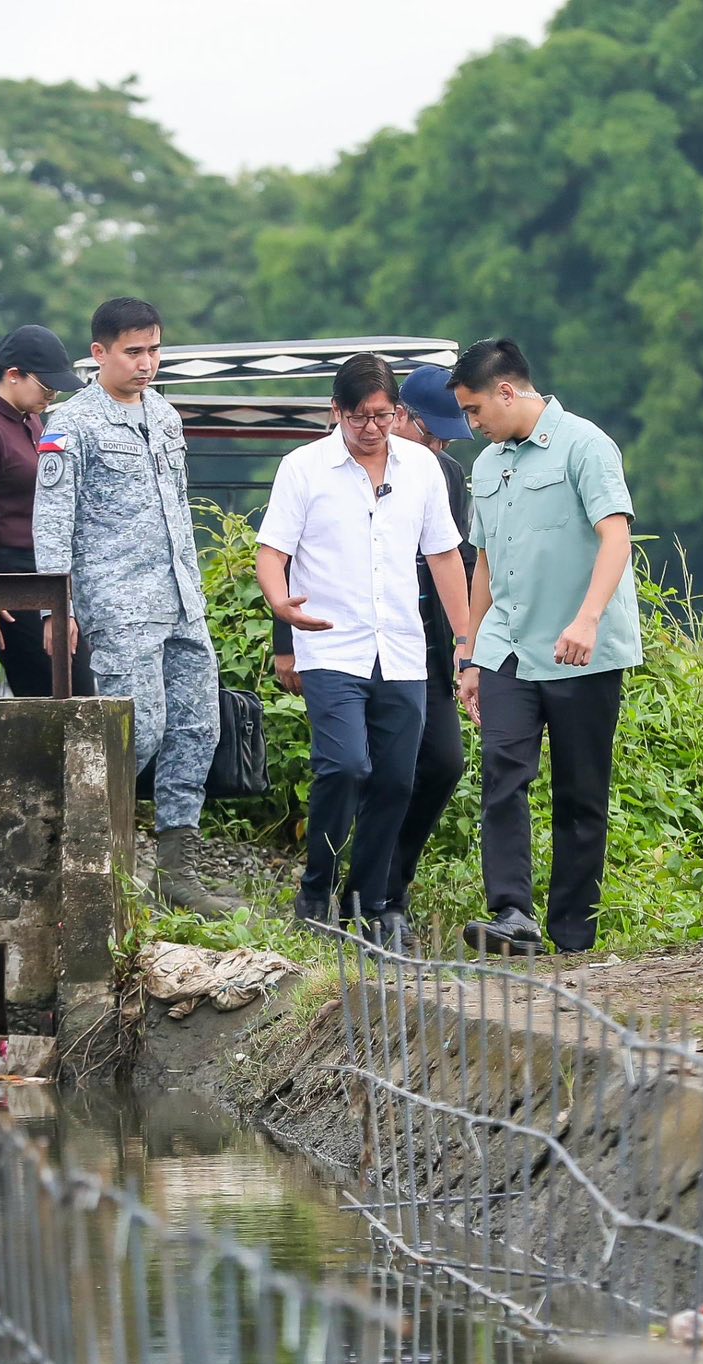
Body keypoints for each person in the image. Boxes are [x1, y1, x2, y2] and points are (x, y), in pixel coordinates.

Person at [35, 297, 236, 918]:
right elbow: (53, 519)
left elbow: (178, 508)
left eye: (154, 350)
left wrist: (194, 590)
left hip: (180, 598)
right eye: (133, 352)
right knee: (138, 728)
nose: (146, 363)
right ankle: (96, 859)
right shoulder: (71, 423)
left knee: (198, 727)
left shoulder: (166, 416)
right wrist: (56, 606)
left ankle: (176, 871)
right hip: (119, 601)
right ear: (99, 353)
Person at [258, 355, 470, 939]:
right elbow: (273, 552)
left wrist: (465, 641)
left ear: (398, 411)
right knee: (346, 765)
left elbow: (445, 556)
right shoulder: (304, 468)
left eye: (382, 415)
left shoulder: (422, 467)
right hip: (331, 644)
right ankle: (316, 889)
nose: (371, 428)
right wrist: (281, 604)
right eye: (358, 417)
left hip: (401, 646)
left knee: (399, 779)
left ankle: (368, 901)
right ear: (336, 412)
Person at [449, 338, 640, 957]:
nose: (471, 425)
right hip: (507, 647)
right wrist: (470, 653)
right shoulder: (487, 466)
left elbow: (616, 538)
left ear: (506, 392)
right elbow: (483, 564)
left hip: (579, 649)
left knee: (581, 791)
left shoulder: (586, 446)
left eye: (475, 410)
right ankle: (512, 914)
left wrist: (587, 620)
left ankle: (573, 933)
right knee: (503, 774)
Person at [0, 325, 95, 696]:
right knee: (52, 689)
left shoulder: (30, 418)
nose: (52, 395)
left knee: (75, 684)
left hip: (44, 569)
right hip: (7, 572)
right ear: (13, 375)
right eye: (46, 387)